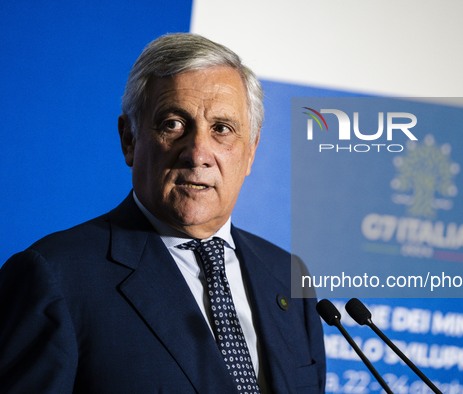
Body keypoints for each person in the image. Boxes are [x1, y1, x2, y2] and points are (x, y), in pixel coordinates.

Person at [0, 33, 326, 393]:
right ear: (129, 139)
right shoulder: (55, 276)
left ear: (250, 151)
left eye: (222, 129)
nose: (197, 152)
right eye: (173, 124)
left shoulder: (287, 276)